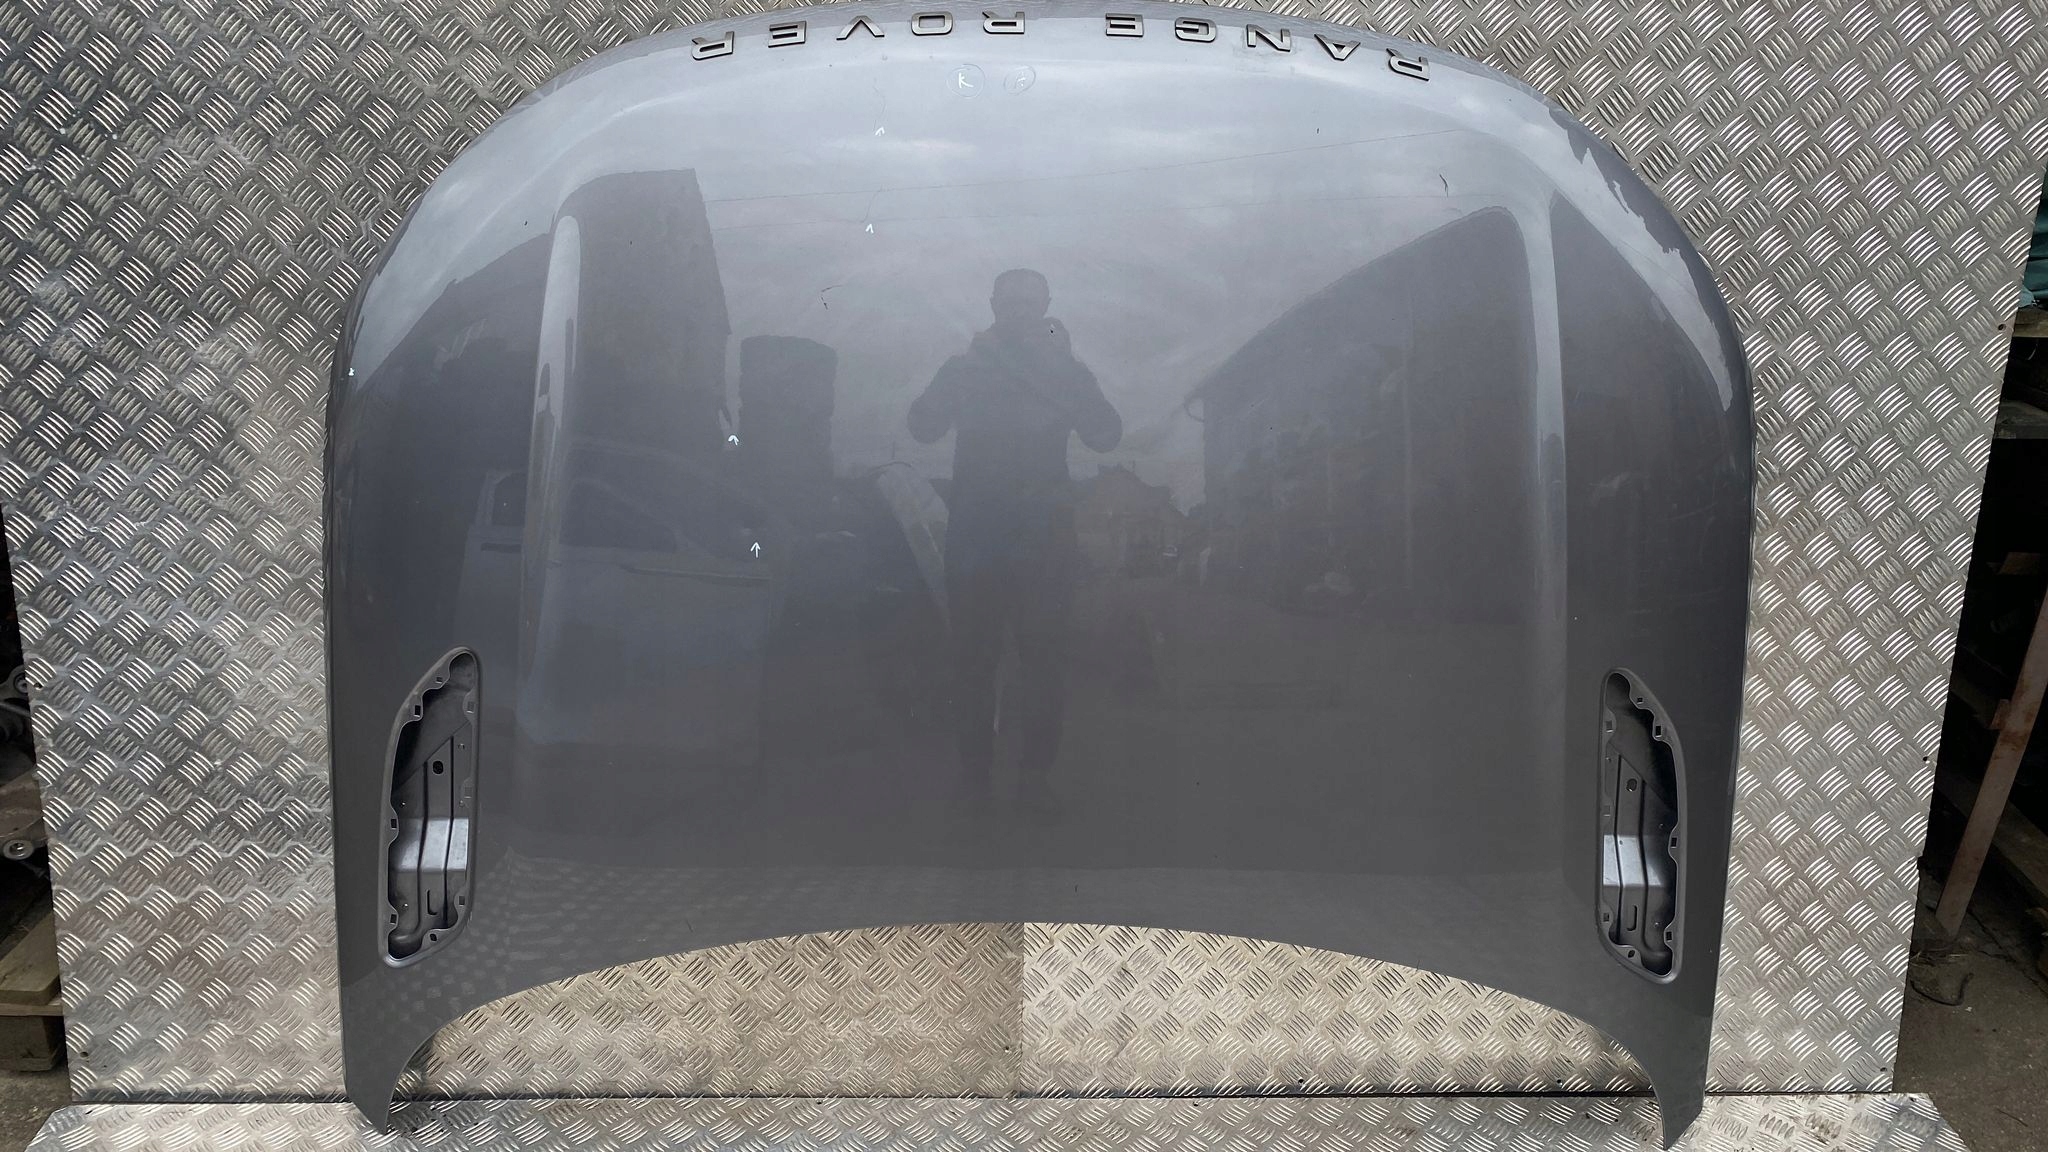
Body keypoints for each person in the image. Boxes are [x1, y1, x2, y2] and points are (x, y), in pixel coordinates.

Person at [908, 269, 1121, 815]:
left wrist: (1069, 374)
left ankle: (1032, 781)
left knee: (1042, 662)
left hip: (1038, 539)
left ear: (1046, 305)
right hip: (980, 538)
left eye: (1030, 302)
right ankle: (976, 783)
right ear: (994, 306)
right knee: (973, 663)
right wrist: (954, 382)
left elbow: (1106, 434)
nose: (1021, 311)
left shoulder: (1065, 371)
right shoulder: (965, 368)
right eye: (1011, 302)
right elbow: (922, 427)